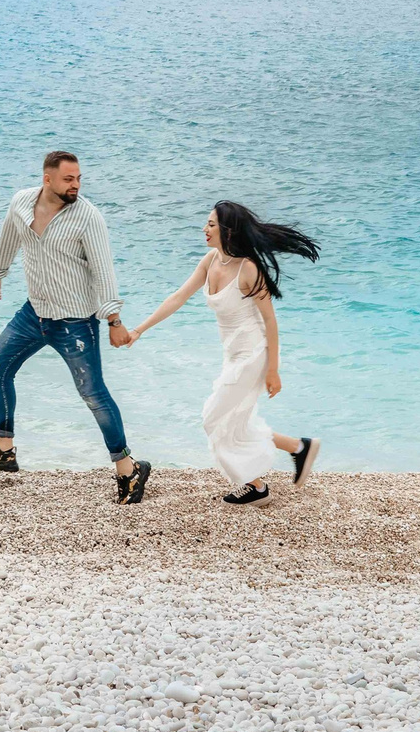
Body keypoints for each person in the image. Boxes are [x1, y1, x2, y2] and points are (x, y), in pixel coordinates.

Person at [0, 150, 153, 504]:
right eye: (69, 179)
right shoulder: (22, 201)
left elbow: (103, 269)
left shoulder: (87, 217)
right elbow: (10, 236)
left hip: (75, 322)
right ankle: (3, 447)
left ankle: (129, 470)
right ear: (47, 178)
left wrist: (113, 319)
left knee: (93, 395)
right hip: (33, 313)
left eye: (79, 178)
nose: (76, 185)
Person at [125, 201, 322, 505]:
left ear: (228, 230)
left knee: (213, 419)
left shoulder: (249, 269)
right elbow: (178, 297)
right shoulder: (211, 260)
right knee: (233, 423)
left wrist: (273, 370)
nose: (205, 229)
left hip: (254, 355)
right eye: (207, 224)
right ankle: (299, 447)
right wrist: (140, 329)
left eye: (211, 225)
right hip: (233, 355)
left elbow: (270, 321)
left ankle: (255, 486)